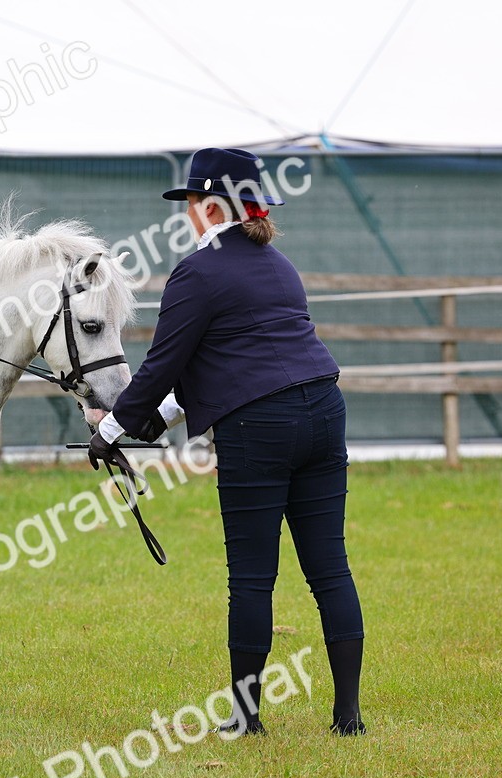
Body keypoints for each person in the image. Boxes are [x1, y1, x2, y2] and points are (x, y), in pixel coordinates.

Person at [89, 148, 366, 736]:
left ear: (212, 207)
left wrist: (111, 430)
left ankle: (246, 719)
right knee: (331, 570)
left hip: (259, 430)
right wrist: (152, 422)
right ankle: (348, 718)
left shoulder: (197, 272)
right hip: (324, 411)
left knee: (251, 576)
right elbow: (224, 364)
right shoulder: (280, 265)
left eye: (192, 203)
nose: (188, 214)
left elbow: (164, 365)